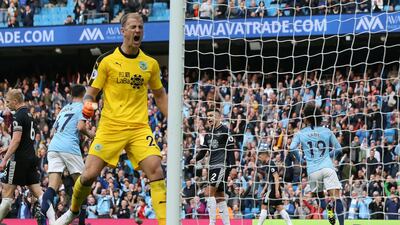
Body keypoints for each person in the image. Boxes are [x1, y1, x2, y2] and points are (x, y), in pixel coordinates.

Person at [55, 12, 168, 225]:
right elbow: (91, 92)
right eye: (133, 27)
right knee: (88, 175)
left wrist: (174, 120)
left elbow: (160, 95)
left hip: (138, 128)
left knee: (156, 168)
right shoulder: (106, 61)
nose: (137, 31)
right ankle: (73, 210)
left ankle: (165, 222)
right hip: (110, 127)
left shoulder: (150, 64)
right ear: (122, 31)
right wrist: (88, 104)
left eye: (140, 27)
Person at [40, 84, 94, 224]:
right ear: (83, 94)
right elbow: (81, 127)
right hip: (69, 147)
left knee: (52, 187)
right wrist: (91, 134)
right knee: (83, 187)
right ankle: (81, 222)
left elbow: (52, 132)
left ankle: (41, 212)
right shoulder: (82, 107)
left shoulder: (63, 109)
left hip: (53, 147)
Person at [289, 102, 344, 225]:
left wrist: (301, 158)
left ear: (306, 118)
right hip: (327, 168)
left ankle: (327, 207)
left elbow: (292, 148)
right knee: (336, 197)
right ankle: (339, 221)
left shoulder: (301, 133)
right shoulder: (326, 131)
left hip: (312, 171)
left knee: (319, 196)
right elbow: (339, 149)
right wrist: (328, 156)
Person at [0, 89, 43, 223]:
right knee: (39, 193)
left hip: (18, 160)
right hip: (30, 158)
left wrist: (5, 159)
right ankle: (54, 221)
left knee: (7, 194)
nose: (6, 104)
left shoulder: (18, 116)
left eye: (7, 102)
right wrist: (7, 148)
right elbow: (26, 140)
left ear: (15, 101)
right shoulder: (30, 116)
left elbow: (17, 140)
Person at [191, 108, 236, 225]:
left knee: (208, 193)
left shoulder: (225, 130)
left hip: (221, 166)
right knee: (219, 196)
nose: (209, 118)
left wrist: (234, 167)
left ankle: (212, 223)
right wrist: (195, 159)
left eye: (211, 115)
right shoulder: (208, 135)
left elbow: (231, 149)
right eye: (208, 116)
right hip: (212, 167)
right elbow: (203, 151)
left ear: (218, 116)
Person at [257, 150, 293, 225]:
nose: (259, 159)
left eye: (260, 157)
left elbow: (276, 177)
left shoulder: (271, 164)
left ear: (264, 155)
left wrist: (276, 190)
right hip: (272, 187)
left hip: (272, 189)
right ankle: (290, 223)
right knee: (279, 207)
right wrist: (264, 190)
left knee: (264, 206)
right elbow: (269, 179)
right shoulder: (268, 165)